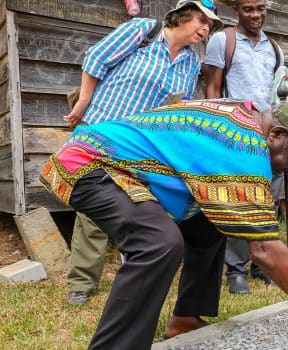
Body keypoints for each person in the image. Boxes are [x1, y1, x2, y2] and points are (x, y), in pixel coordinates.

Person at [40, 99, 288, 349]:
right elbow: (265, 250)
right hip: (92, 162)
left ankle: (184, 319)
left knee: (212, 223)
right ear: (276, 135)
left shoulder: (245, 117)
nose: (287, 172)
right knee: (159, 243)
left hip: (121, 165)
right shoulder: (245, 148)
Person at [61, 0, 222, 306]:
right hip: (103, 133)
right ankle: (81, 282)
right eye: (203, 20)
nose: (205, 29)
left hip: (142, 145)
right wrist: (83, 101)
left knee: (136, 204)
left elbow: (178, 104)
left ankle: (133, 270)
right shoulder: (142, 31)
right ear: (183, 15)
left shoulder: (190, 62)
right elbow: (96, 60)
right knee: (95, 211)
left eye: (210, 26)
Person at [204, 0, 288, 294]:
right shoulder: (223, 40)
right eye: (248, 9)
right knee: (239, 199)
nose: (255, 15)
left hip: (269, 132)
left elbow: (277, 91)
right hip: (237, 129)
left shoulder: (274, 48)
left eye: (260, 9)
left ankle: (263, 263)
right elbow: (213, 88)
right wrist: (218, 132)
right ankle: (236, 270)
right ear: (236, 11)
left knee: (270, 197)